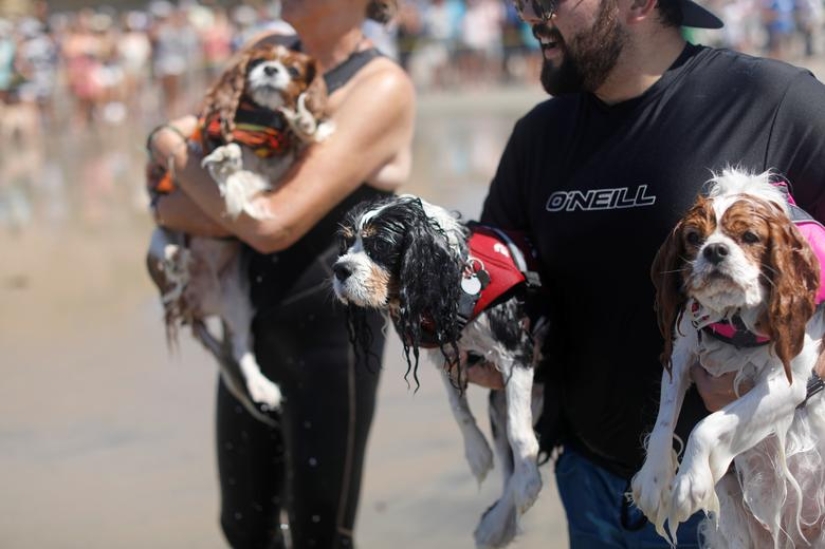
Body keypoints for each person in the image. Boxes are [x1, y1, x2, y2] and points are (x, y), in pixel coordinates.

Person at [465, 0, 825, 546]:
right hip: (587, 480)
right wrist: (482, 346)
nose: (530, 16)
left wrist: (805, 376)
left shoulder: (772, 101)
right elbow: (500, 281)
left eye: (547, 1)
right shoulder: (539, 135)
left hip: (734, 496)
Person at [144, 1, 415, 547]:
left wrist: (165, 149)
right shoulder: (265, 50)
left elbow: (271, 224)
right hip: (250, 325)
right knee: (243, 528)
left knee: (320, 533)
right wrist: (180, 177)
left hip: (331, 340)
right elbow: (183, 164)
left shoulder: (379, 85)